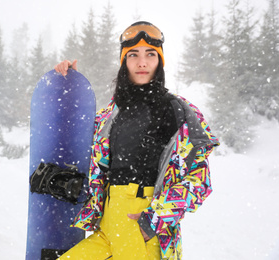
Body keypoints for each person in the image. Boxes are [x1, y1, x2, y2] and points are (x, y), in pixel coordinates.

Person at [54, 21, 219, 260]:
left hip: (140, 225)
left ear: (160, 60)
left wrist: (153, 220)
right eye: (134, 55)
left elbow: (200, 181)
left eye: (150, 54)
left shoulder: (177, 110)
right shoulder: (112, 113)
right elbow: (78, 138)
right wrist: (70, 84)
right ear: (124, 61)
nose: (142, 62)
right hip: (107, 223)